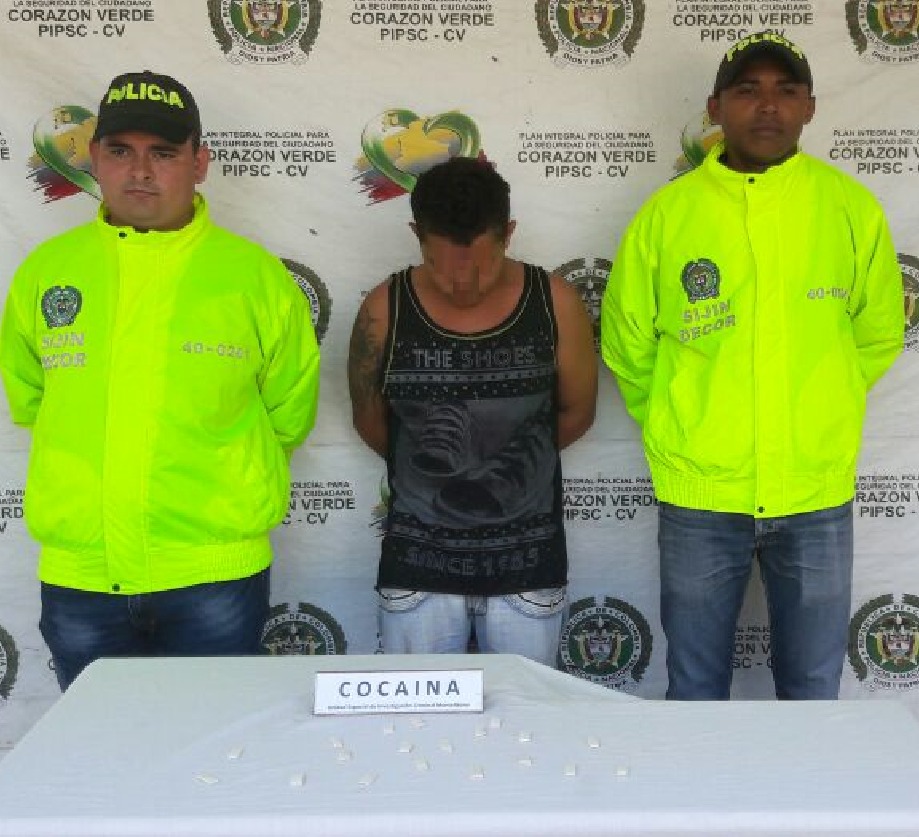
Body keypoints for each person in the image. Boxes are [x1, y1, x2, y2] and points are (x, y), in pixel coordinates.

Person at [600, 32, 904, 700]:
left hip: (815, 492)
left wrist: (822, 404)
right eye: (747, 90)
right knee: (695, 688)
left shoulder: (849, 209)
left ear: (810, 107)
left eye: (785, 91)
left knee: (813, 689)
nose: (768, 106)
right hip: (700, 495)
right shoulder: (668, 215)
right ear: (715, 107)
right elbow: (627, 342)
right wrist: (681, 420)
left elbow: (877, 333)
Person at [0, 70, 320, 690]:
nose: (140, 171)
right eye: (121, 151)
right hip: (82, 578)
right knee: (102, 742)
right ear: (95, 157)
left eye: (164, 153)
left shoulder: (254, 277)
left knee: (214, 740)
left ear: (199, 163)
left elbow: (289, 412)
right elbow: (32, 397)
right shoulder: (47, 272)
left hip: (213, 576)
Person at [348, 156, 597, 665]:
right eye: (442, 268)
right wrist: (433, 477)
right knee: (417, 713)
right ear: (416, 235)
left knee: (526, 709)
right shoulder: (385, 308)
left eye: (481, 267)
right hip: (418, 566)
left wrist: (510, 471)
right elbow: (371, 421)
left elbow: (576, 412)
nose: (463, 284)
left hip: (528, 566)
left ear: (509, 233)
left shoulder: (554, 303)